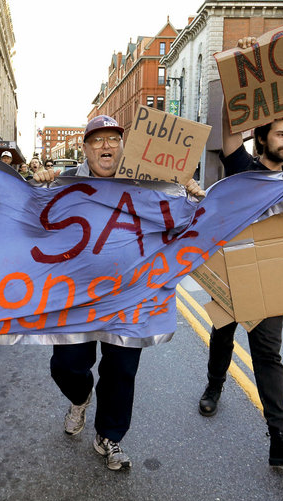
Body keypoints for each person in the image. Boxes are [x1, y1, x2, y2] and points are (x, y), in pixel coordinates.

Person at [30, 115, 204, 471]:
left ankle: (109, 436)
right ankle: (80, 397)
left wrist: (190, 198)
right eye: (97, 140)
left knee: (121, 370)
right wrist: (38, 188)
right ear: (85, 149)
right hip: (75, 300)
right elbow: (31, 223)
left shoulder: (146, 186)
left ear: (124, 147)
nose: (106, 146)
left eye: (113, 139)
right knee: (66, 366)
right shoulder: (63, 185)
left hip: (130, 300)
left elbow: (181, 224)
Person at [198, 36, 283, 468]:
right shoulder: (243, 167)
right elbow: (230, 129)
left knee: (268, 353)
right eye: (281, 133)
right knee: (223, 334)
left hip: (270, 276)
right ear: (264, 136)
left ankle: (280, 439)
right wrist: (243, 67)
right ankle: (214, 386)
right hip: (232, 269)